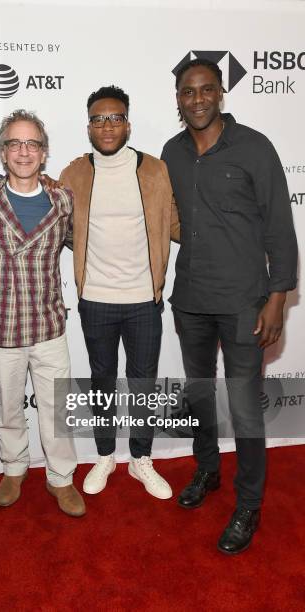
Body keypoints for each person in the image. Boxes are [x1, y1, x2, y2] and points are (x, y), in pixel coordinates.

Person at [161, 58, 297, 554]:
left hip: (244, 301)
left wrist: (278, 297)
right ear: (177, 98)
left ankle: (248, 504)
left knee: (244, 409)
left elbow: (280, 227)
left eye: (206, 90)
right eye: (187, 92)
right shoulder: (171, 153)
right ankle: (207, 471)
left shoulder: (255, 148)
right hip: (191, 300)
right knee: (200, 395)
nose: (197, 99)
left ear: (220, 94)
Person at [60, 86, 179, 498]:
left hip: (145, 300)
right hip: (95, 299)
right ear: (88, 126)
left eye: (115, 118)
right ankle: (106, 455)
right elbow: (59, 229)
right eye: (98, 119)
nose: (107, 126)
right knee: (102, 380)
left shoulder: (155, 170)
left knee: (144, 382)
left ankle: (140, 459)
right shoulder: (74, 173)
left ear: (127, 123)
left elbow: (174, 223)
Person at [0, 110, 85, 518]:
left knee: (57, 408)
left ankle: (61, 478)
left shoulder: (63, 199)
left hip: (48, 322)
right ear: (2, 152)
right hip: (0, 322)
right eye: (14, 143)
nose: (23, 151)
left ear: (44, 153)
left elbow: (78, 243)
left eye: (32, 143)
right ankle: (14, 469)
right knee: (9, 404)